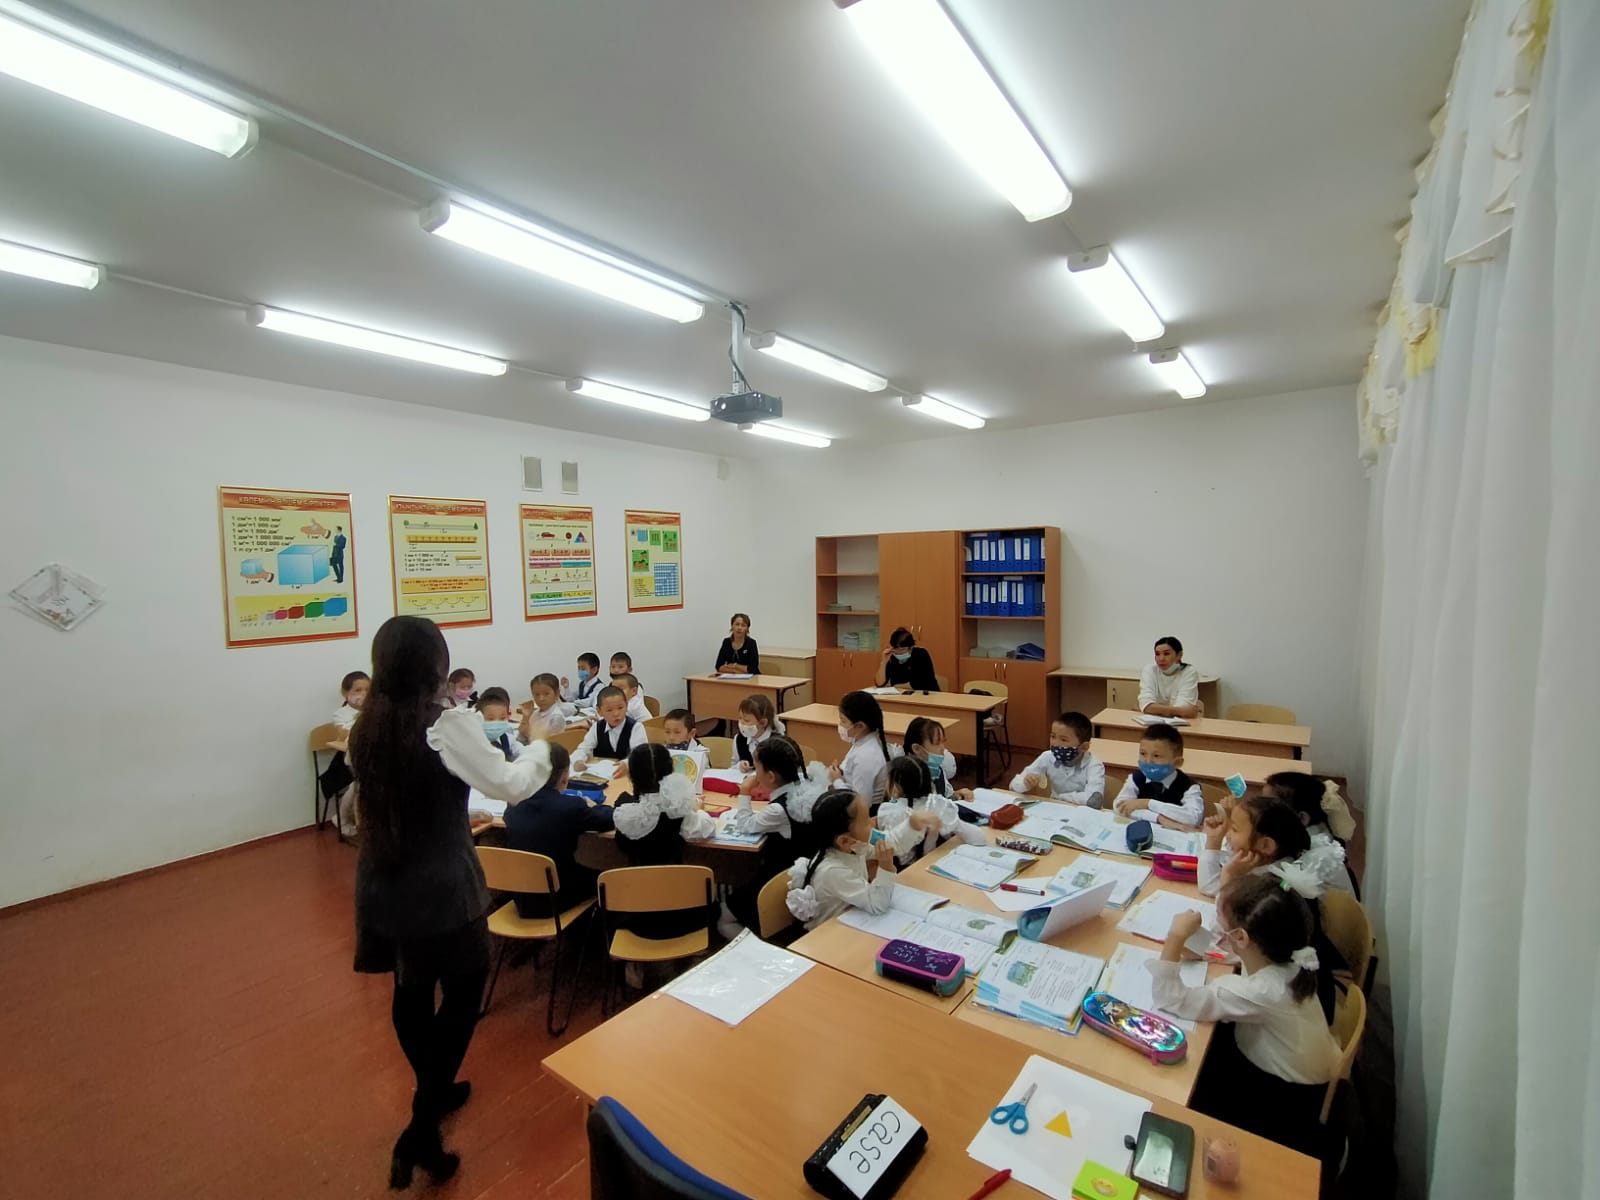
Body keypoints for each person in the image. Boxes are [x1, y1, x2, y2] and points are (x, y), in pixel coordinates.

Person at [348, 615, 554, 1187]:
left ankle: (432, 1092)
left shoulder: (368, 724)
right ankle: (423, 1121)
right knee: (464, 991)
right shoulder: (445, 724)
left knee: (410, 988)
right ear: (434, 664)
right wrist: (540, 747)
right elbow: (509, 784)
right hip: (439, 882)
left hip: (383, 876)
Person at [1148, 872, 1341, 1154]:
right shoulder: (1287, 955)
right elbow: (1238, 954)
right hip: (1306, 1078)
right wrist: (1201, 948)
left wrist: (1175, 937)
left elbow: (1170, 998)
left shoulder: (1259, 992)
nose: (1218, 929)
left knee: (1180, 1081)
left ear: (1241, 937)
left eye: (1221, 924)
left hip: (1283, 1106)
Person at [612, 745, 718, 983]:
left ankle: (641, 964)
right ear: (670, 773)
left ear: (633, 776)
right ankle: (690, 962)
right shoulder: (678, 813)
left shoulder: (626, 814)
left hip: (635, 915)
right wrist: (697, 809)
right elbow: (706, 828)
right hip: (683, 915)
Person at [720, 738, 828, 936]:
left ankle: (754, 948)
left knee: (723, 919)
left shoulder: (778, 810)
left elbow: (745, 825)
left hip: (778, 881)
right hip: (804, 872)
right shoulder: (808, 787)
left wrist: (745, 791)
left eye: (757, 768)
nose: (754, 773)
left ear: (770, 776)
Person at [502, 744, 613, 918]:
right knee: (606, 877)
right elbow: (608, 819)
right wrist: (593, 807)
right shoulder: (570, 807)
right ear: (565, 777)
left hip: (521, 896)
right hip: (557, 896)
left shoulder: (513, 803)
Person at [784, 788, 898, 930]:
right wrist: (886, 865)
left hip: (851, 919)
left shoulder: (852, 847)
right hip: (829, 933)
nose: (872, 824)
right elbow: (878, 905)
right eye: (867, 822)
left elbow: (888, 846)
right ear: (845, 841)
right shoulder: (833, 871)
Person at [1199, 794, 1352, 899]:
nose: (1228, 835)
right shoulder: (1262, 864)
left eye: (1234, 829)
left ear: (1266, 845)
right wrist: (1213, 841)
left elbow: (1226, 924)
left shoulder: (1275, 887)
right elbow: (1210, 887)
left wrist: (1228, 877)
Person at [1261, 772, 1361, 896]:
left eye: (1267, 808)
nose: (1260, 814)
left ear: (1302, 818)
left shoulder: (1314, 858)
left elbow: (1279, 889)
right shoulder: (1314, 834)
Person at [876, 756, 984, 865]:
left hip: (904, 871)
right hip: (934, 864)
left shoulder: (889, 811)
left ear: (895, 788)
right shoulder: (939, 804)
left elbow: (883, 848)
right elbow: (978, 838)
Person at [1112, 724, 1203, 827]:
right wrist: (1158, 818)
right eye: (1143, 753)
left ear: (1177, 762)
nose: (1148, 761)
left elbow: (1193, 819)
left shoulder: (1189, 787)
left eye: (1156, 756)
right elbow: (1119, 807)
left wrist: (1148, 803)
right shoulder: (1136, 778)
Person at [1009, 711, 1106, 806]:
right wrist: (1025, 784)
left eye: (1063, 740)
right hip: (1056, 808)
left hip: (1082, 812)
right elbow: (1013, 785)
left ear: (1084, 747)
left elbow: (1094, 800)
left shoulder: (1094, 765)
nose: (1055, 743)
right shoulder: (1048, 756)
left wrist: (1061, 797)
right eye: (1053, 736)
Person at [324, 670, 369, 838]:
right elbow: (343, 735)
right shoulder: (341, 714)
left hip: (369, 757)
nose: (363, 694)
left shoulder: (375, 710)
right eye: (358, 690)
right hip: (346, 762)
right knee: (358, 784)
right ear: (345, 693)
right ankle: (341, 819)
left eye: (367, 690)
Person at [830, 690, 896, 802]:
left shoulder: (867, 756)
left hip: (859, 809)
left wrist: (837, 781)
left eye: (843, 721)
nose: (840, 725)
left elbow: (861, 803)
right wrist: (841, 773)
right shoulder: (862, 742)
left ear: (860, 726)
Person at [571, 686, 646, 771]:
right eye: (609, 710)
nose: (616, 714)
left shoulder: (636, 727)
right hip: (601, 773)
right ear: (599, 711)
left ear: (626, 706)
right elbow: (583, 748)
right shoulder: (597, 727)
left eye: (620, 708)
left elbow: (640, 755)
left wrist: (626, 763)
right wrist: (578, 760)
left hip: (628, 773)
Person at [901, 716, 972, 802]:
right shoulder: (903, 778)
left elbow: (944, 796)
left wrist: (955, 795)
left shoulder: (937, 771)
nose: (942, 749)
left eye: (943, 742)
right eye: (937, 743)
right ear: (917, 749)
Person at [1138, 637, 1203, 718]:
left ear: (1179, 655)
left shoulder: (1189, 672)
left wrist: (1155, 709)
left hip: (1181, 722)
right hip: (1153, 721)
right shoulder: (1150, 670)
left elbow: (1184, 706)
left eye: (1166, 654)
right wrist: (1180, 711)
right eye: (1157, 654)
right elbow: (1146, 706)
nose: (1161, 659)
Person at [874, 626, 940, 691]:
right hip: (900, 695)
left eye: (902, 649)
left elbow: (919, 684)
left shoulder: (921, 654)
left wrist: (893, 685)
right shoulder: (891, 656)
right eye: (895, 649)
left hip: (927, 694)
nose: (898, 652)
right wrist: (884, 662)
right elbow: (880, 684)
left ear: (911, 647)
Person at [733, 693, 785, 772]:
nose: (741, 723)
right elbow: (733, 764)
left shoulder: (776, 743)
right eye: (740, 718)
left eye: (746, 721)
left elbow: (782, 770)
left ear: (763, 723)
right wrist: (740, 765)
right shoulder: (739, 739)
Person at [520, 673, 570, 743]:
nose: (541, 699)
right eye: (537, 695)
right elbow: (522, 737)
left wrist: (527, 733)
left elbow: (544, 742)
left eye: (546, 694)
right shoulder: (535, 713)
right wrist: (526, 717)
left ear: (557, 693)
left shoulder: (556, 717)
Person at [473, 687, 517, 760]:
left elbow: (523, 751)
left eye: (502, 718)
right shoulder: (474, 742)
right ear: (479, 717)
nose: (497, 723)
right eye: (490, 719)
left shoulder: (507, 738)